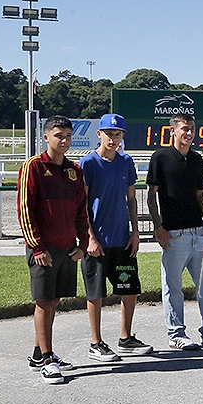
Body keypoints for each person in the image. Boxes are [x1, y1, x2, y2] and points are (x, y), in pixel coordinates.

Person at [146, 112, 203, 350]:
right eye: (185, 128)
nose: (189, 133)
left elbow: (200, 195)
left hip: (198, 233)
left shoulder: (196, 159)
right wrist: (158, 226)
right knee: (173, 288)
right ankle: (176, 334)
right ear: (173, 130)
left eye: (192, 129)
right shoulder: (160, 157)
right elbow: (151, 195)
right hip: (173, 235)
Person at [18, 115, 88, 384]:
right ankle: (48, 360)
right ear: (46, 137)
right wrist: (37, 247)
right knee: (44, 301)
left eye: (68, 136)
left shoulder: (74, 171)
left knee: (55, 301)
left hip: (67, 248)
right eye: (59, 135)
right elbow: (25, 210)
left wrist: (82, 244)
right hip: (43, 249)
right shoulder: (33, 167)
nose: (64, 140)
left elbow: (81, 211)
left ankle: (39, 354)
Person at [79, 114, 152, 362]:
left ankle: (126, 338)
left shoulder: (126, 161)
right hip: (98, 241)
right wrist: (90, 237)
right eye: (109, 134)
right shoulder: (88, 163)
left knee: (129, 288)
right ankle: (96, 343)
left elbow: (131, 198)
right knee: (96, 293)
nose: (113, 139)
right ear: (99, 134)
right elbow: (82, 204)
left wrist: (135, 232)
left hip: (122, 239)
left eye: (118, 134)